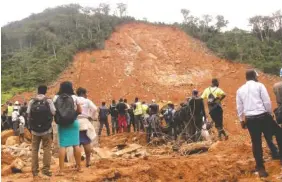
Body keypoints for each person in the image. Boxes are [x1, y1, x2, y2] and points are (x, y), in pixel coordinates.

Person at [236, 69, 282, 177]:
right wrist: (270, 114)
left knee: (256, 143)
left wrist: (242, 120)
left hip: (250, 119)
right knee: (279, 133)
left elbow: (239, 107)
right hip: (263, 116)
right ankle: (280, 157)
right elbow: (266, 101)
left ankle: (261, 169)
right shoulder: (260, 86)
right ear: (254, 76)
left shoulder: (240, 90)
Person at [27, 85, 56, 178]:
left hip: (35, 130)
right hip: (46, 130)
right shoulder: (48, 101)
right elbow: (54, 112)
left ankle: (34, 171)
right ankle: (45, 170)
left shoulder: (32, 101)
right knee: (47, 148)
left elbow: (28, 114)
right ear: (45, 91)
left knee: (35, 149)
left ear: (37, 91)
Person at [53, 81, 82, 175]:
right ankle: (79, 167)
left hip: (62, 124)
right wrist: (74, 115)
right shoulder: (74, 97)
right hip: (73, 122)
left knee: (63, 146)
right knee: (76, 145)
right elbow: (80, 111)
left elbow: (54, 111)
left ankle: (61, 170)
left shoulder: (56, 97)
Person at [76, 87, 97, 167]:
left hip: (75, 123)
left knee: (76, 145)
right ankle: (88, 162)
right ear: (83, 93)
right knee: (86, 142)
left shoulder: (74, 100)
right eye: (86, 93)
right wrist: (91, 116)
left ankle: (77, 164)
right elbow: (95, 108)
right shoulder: (87, 101)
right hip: (84, 122)